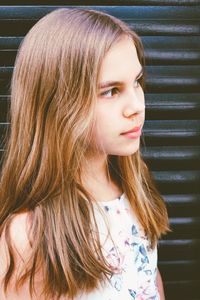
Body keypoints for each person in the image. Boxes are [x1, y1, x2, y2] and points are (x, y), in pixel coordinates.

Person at [0, 8, 170, 300]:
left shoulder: (132, 186)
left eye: (137, 82)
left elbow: (149, 279)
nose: (137, 107)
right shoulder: (28, 236)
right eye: (111, 91)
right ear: (58, 104)